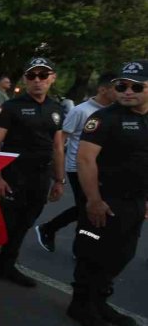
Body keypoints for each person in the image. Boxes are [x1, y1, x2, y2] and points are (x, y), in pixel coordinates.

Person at [67, 61, 147, 326]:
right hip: (104, 199)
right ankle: (80, 305)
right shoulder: (104, 118)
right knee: (92, 253)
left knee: (123, 254)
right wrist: (93, 200)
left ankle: (100, 301)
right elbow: (86, 159)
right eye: (121, 86)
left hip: (135, 201)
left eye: (136, 86)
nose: (127, 91)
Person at [0, 57, 65, 294]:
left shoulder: (56, 108)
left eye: (43, 75)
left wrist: (59, 179)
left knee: (24, 224)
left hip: (40, 177)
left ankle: (6, 266)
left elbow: (57, 146)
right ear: (25, 80)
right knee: (2, 224)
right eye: (32, 76)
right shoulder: (12, 107)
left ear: (52, 78)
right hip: (13, 176)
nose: (37, 80)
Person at [35, 72, 117, 252]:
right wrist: (59, 174)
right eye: (117, 88)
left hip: (99, 168)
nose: (122, 92)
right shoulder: (80, 111)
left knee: (86, 208)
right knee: (86, 208)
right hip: (76, 166)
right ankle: (77, 247)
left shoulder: (114, 112)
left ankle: (51, 229)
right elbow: (60, 140)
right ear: (103, 89)